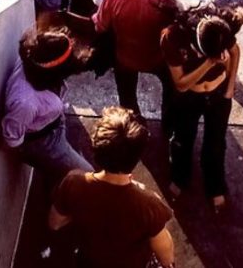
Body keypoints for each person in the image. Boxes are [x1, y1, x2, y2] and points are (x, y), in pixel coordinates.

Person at [50, 106, 175, 268]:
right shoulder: (149, 204)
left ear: (96, 147)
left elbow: (55, 223)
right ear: (136, 157)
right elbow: (166, 257)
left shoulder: (73, 182)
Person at [161, 2, 241, 212]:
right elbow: (181, 84)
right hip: (189, 96)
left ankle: (215, 185)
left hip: (218, 95)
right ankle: (179, 177)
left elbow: (235, 51)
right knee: (182, 139)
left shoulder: (219, 28)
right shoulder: (172, 36)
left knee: (216, 142)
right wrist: (210, 62)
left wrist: (230, 87)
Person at [93, 0, 179, 125]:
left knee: (127, 97)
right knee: (172, 89)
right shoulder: (167, 3)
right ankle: (169, 125)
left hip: (124, 59)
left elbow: (99, 26)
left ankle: (134, 127)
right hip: (158, 60)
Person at [2, 27, 93, 189]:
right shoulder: (26, 103)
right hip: (42, 143)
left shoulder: (31, 58)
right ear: (55, 71)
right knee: (88, 178)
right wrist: (42, 158)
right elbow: (13, 140)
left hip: (54, 123)